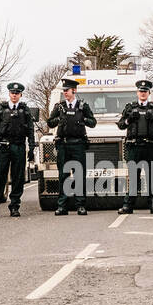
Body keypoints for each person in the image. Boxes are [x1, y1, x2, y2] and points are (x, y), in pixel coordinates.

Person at [0, 81, 35, 219]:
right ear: (9, 94)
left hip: (18, 146)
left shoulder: (25, 110)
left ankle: (14, 206)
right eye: (12, 93)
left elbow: (30, 129)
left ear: (21, 95)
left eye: (17, 94)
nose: (14, 96)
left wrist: (31, 147)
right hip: (3, 147)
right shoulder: (1, 108)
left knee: (18, 178)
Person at [117, 80, 153, 215]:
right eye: (141, 91)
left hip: (150, 146)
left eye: (145, 91)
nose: (143, 93)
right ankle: (128, 206)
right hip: (134, 147)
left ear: (149, 93)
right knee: (134, 177)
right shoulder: (130, 107)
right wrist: (129, 119)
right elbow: (121, 124)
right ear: (137, 93)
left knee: (151, 177)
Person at [47, 77, 96, 216]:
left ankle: (80, 205)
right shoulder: (59, 106)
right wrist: (59, 119)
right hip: (63, 144)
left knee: (79, 175)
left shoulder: (82, 106)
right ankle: (62, 206)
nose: (65, 93)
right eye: (64, 91)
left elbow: (93, 122)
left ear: (74, 90)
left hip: (78, 144)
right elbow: (50, 122)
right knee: (63, 175)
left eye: (67, 90)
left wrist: (82, 119)